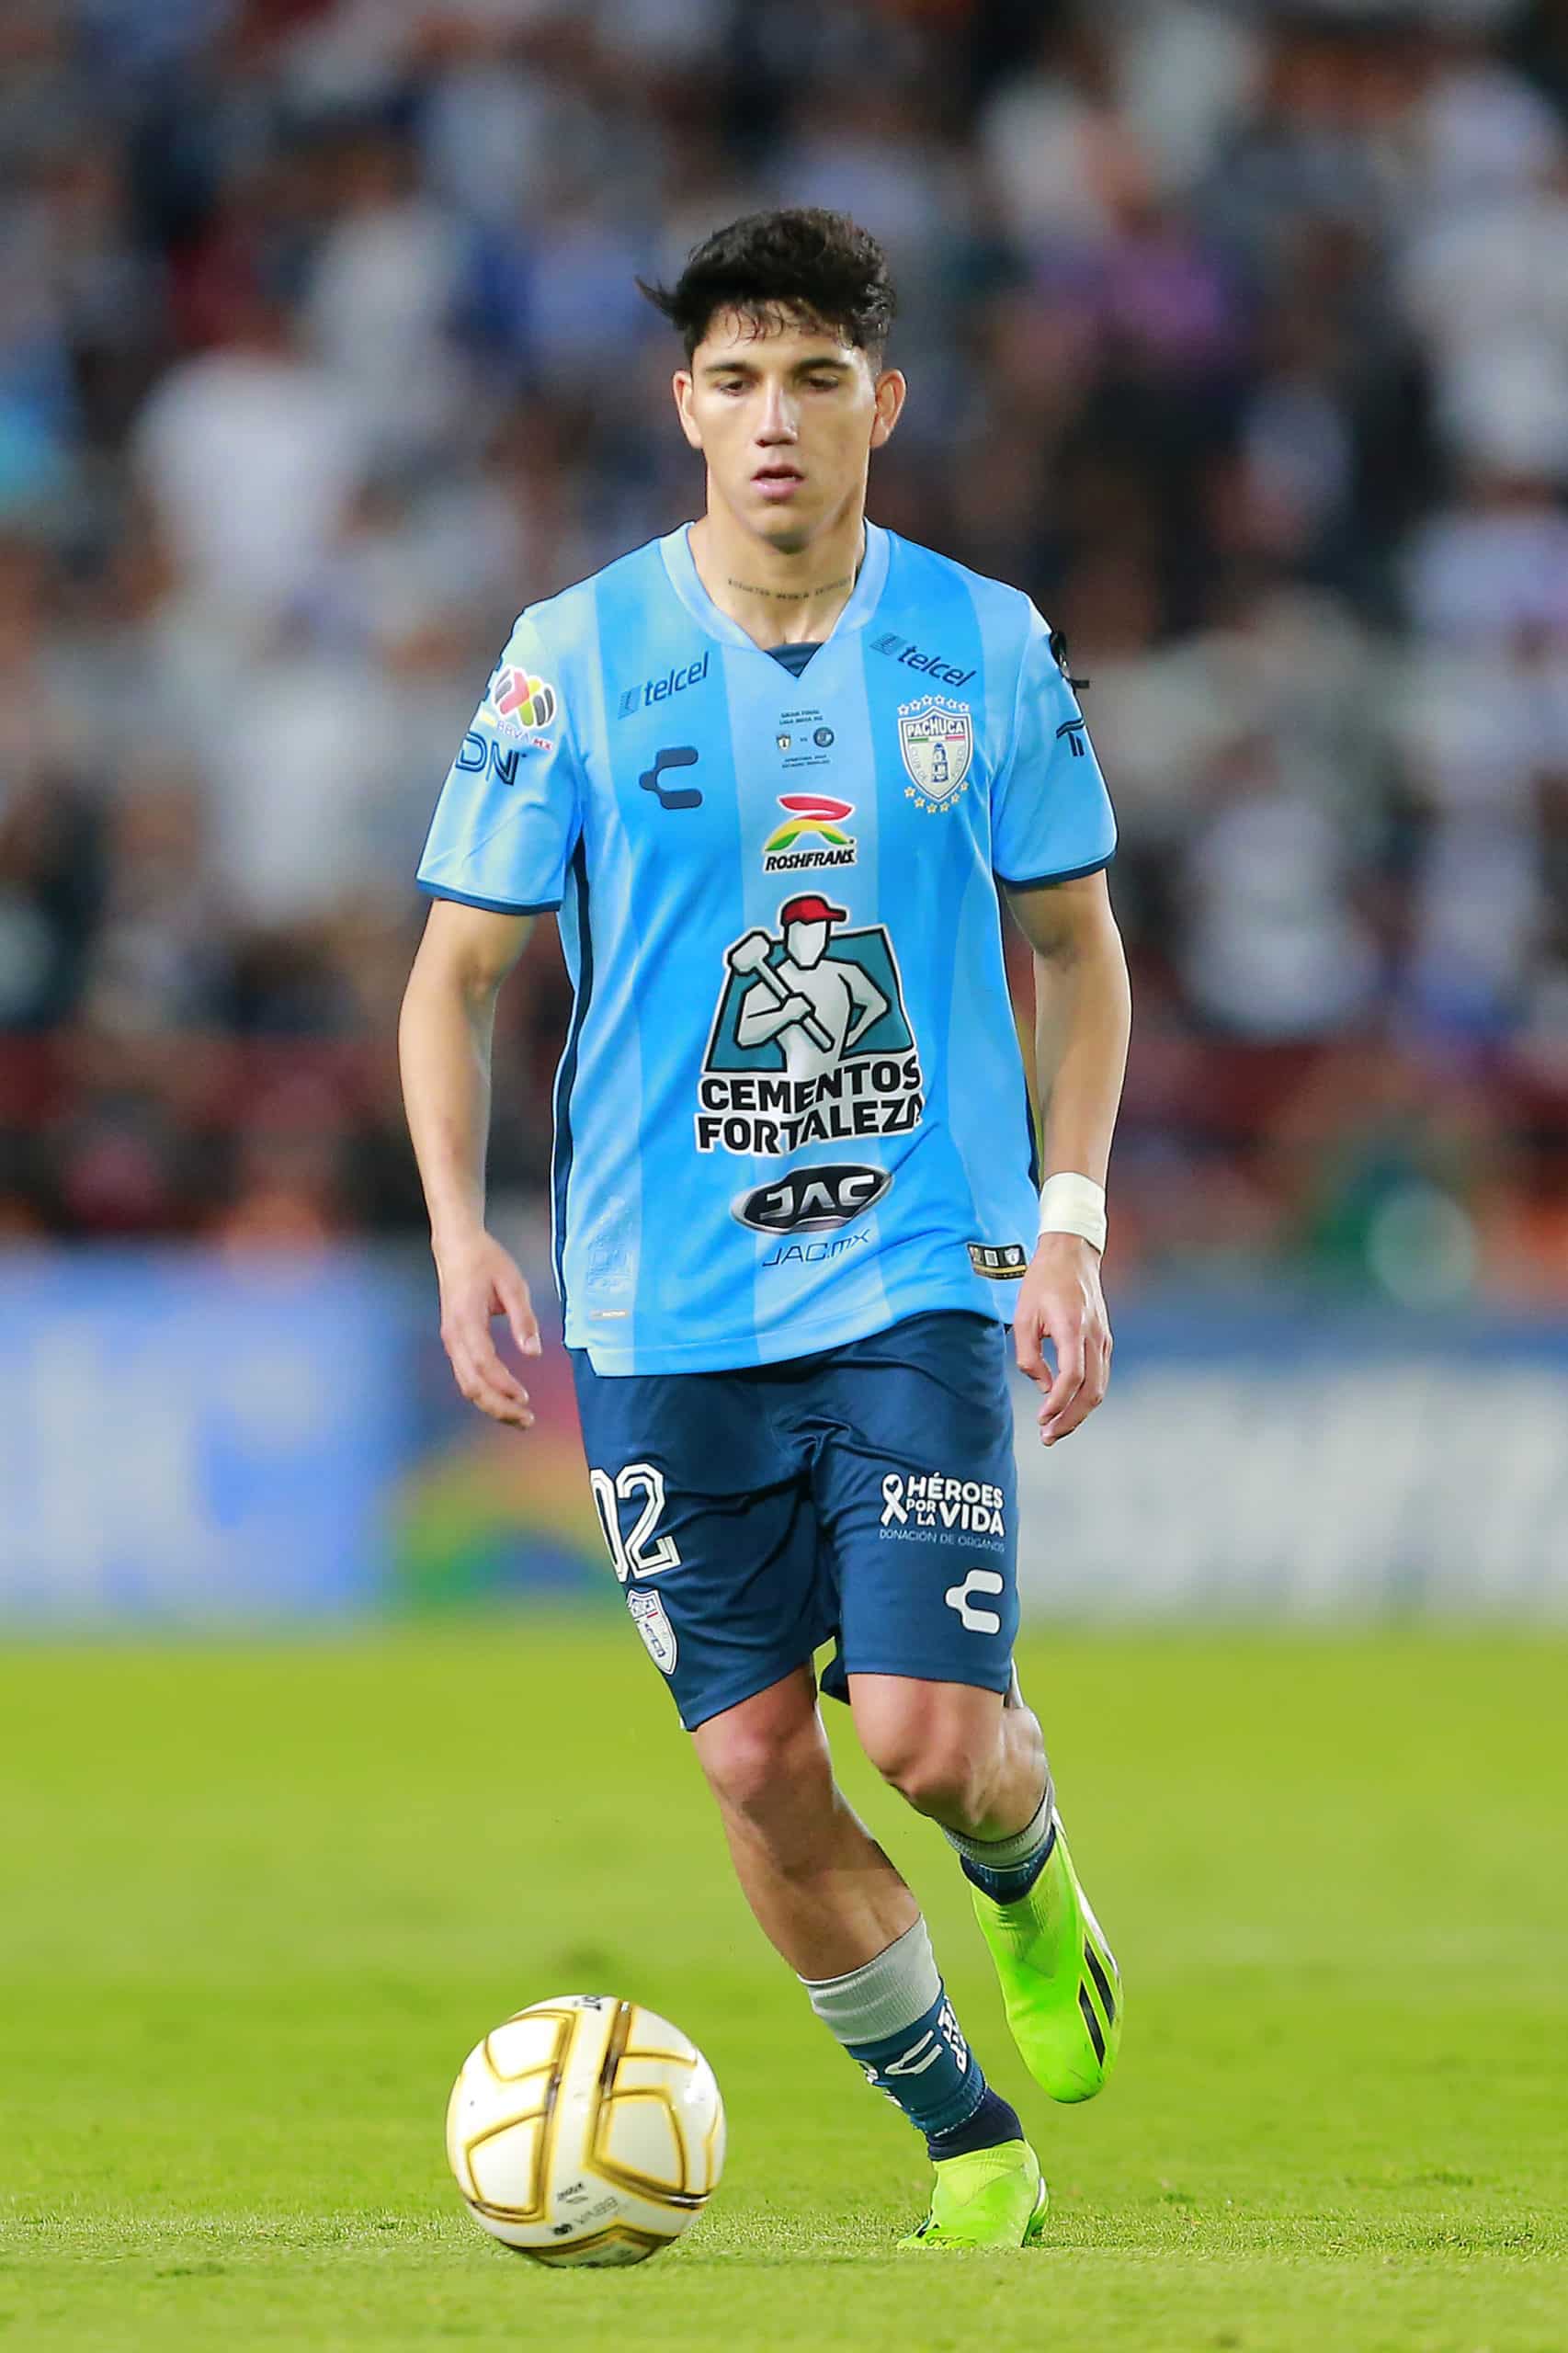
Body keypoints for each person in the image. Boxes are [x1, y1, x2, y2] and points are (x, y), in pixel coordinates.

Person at [399, 209, 1131, 2251]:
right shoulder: (572, 652)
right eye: (734, 378)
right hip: (660, 1295)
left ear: (880, 404)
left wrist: (1065, 1221)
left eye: (816, 375)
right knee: (751, 1762)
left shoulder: (980, 645)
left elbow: (1080, 953)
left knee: (921, 1739)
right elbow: (452, 977)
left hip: (917, 1263)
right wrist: (461, 1230)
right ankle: (970, 2135)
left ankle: (1027, 1867)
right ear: (684, 409)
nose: (774, 417)